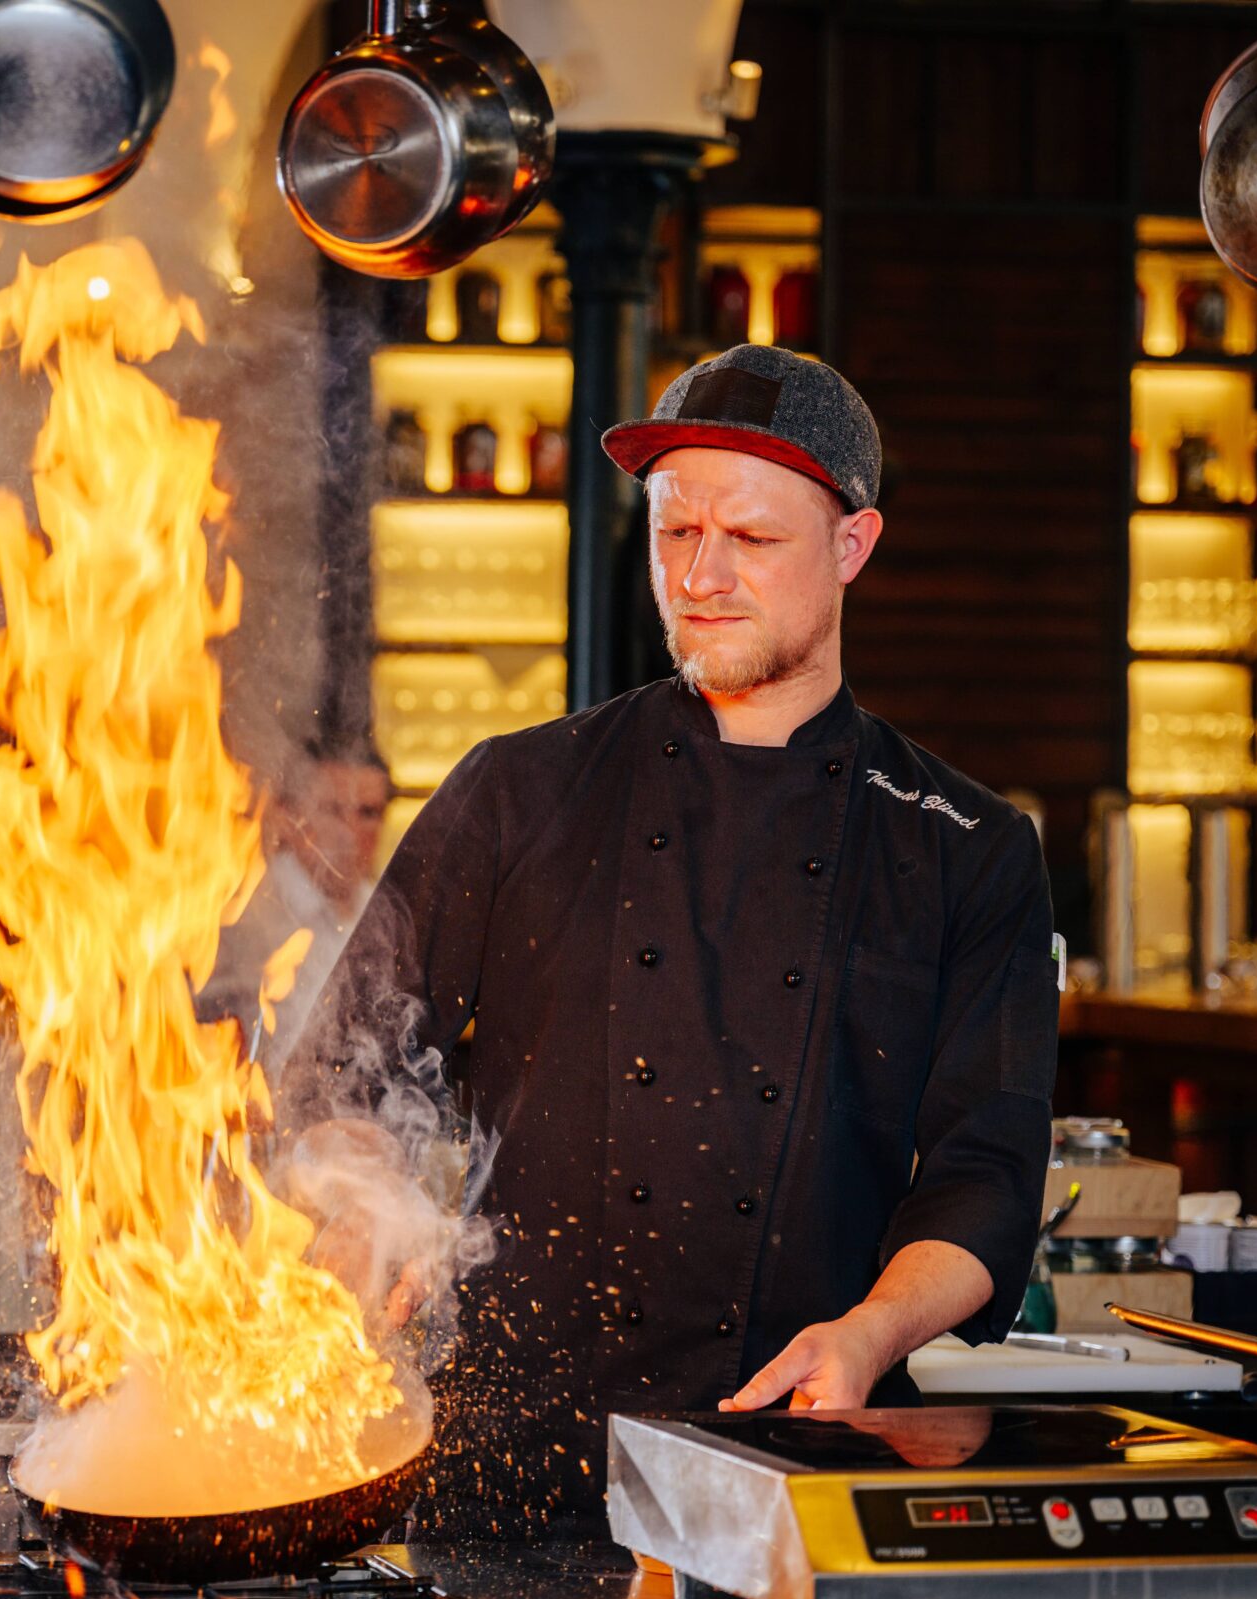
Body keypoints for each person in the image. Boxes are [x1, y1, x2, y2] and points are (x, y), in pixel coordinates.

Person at [282, 345, 1059, 1530]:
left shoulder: (963, 846)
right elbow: (344, 1072)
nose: (701, 575)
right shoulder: (517, 792)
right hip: (515, 1469)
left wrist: (867, 1333)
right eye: (674, 532)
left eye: (750, 541)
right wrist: (362, 1206)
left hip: (798, 1454)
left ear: (851, 547)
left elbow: (983, 1185)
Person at [208, 735, 394, 1071]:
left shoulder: (391, 916)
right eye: (332, 810)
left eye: (368, 813)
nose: (349, 832)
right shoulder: (240, 917)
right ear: (288, 817)